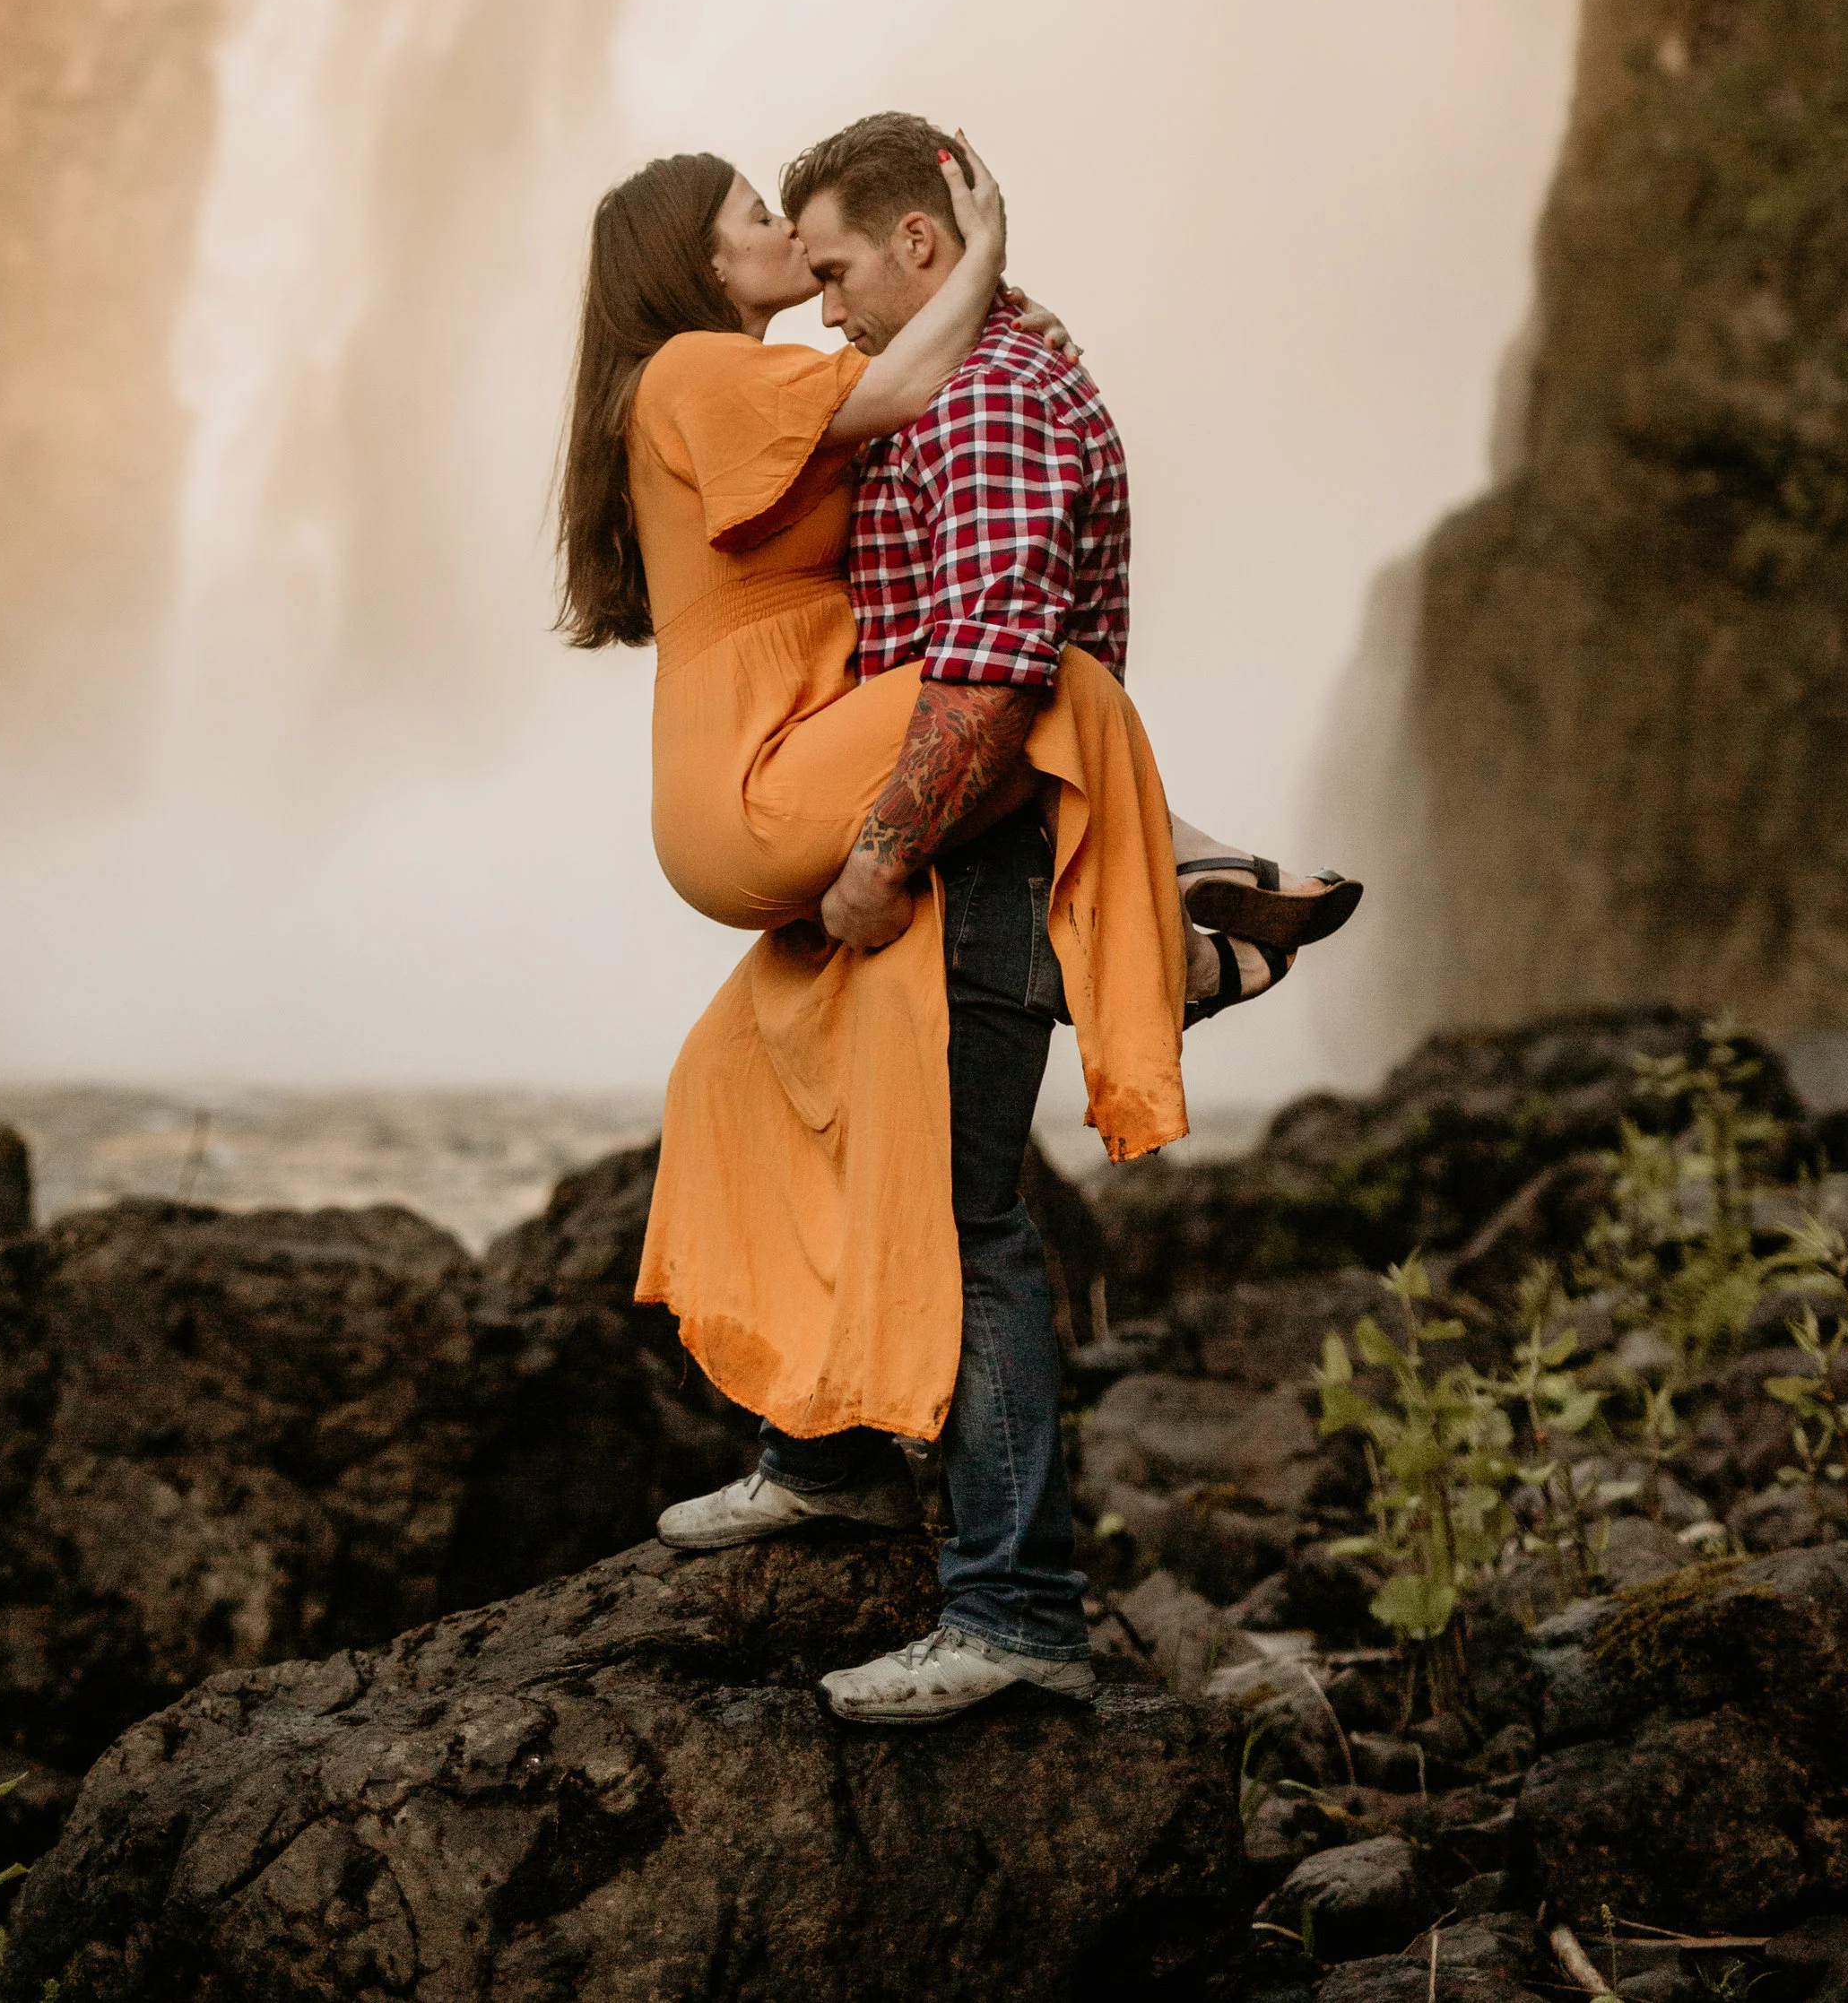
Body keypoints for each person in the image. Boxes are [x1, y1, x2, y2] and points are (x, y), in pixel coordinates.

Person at [555, 122, 1358, 1727]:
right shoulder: (714, 378)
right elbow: (898, 409)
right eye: (761, 222)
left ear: (911, 247)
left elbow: (981, 568)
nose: (797, 247)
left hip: (865, 798)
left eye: (826, 241)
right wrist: (985, 269)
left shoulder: (876, 393)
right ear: (691, 264)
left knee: (830, 1118)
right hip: (794, 788)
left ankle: (918, 1531)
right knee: (790, 1052)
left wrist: (999, 302)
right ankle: (1169, 908)